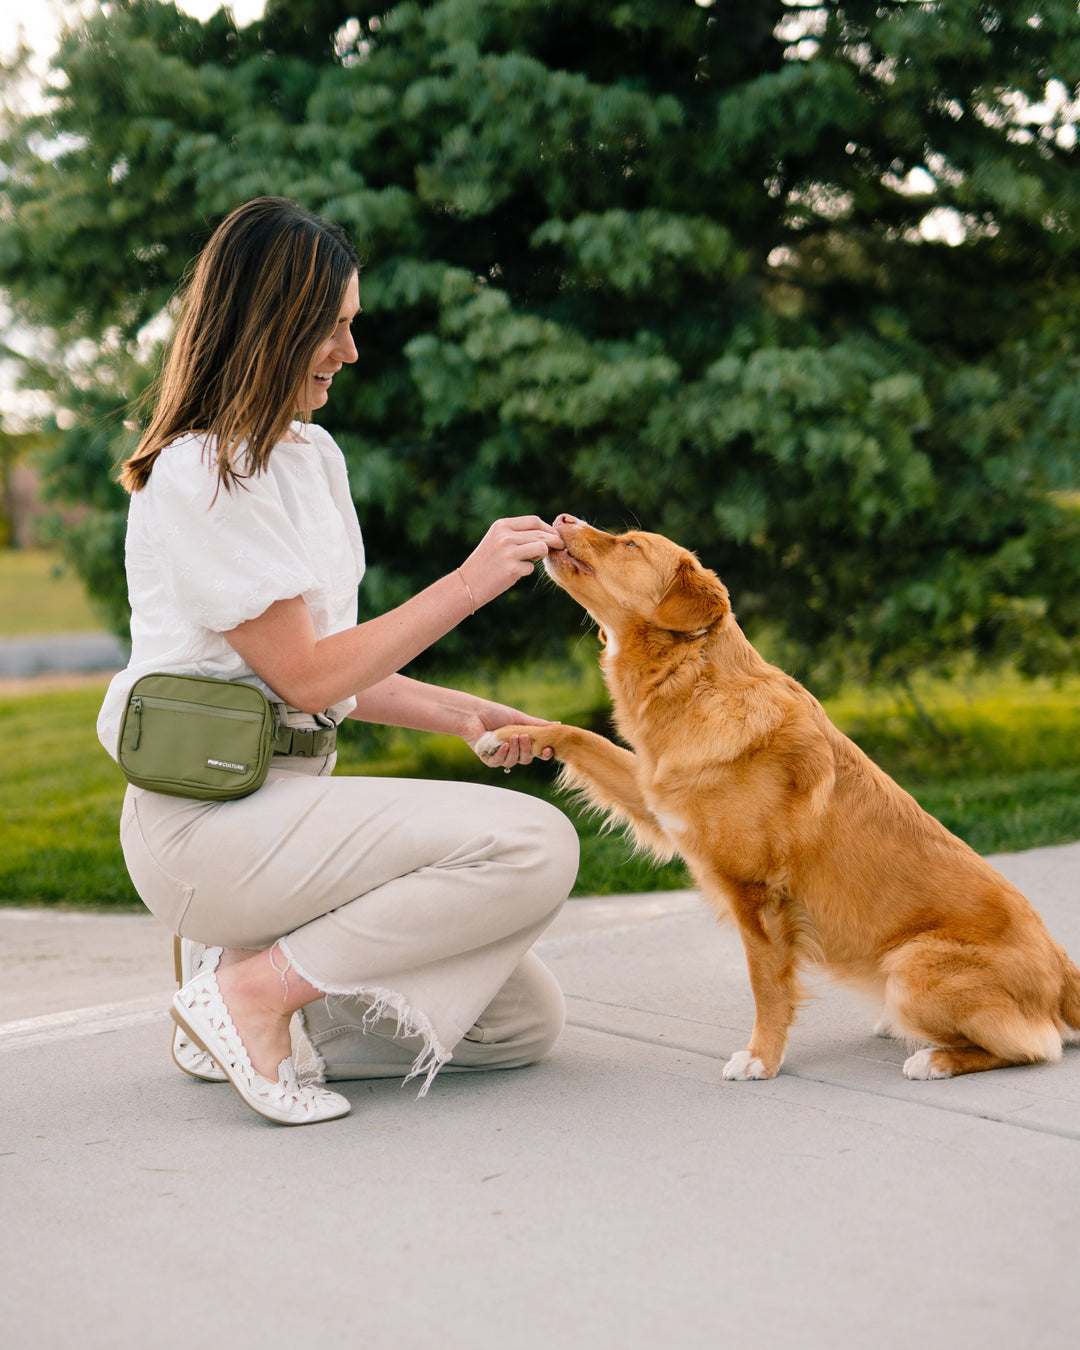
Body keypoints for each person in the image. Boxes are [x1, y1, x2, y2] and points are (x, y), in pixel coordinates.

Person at [97, 197, 580, 1127]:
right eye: (333, 327)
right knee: (532, 845)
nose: (351, 352)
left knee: (515, 1023)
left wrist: (468, 715)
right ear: (271, 324)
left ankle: (229, 1000)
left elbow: (330, 671)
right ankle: (252, 995)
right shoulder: (199, 472)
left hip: (293, 812)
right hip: (210, 825)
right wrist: (469, 583)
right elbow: (308, 678)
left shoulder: (312, 456)